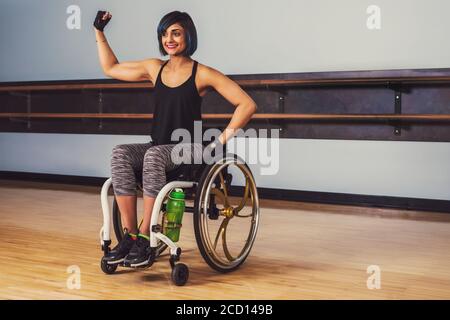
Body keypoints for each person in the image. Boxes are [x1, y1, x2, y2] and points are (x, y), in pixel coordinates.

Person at [94, 10, 257, 267]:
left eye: (176, 33)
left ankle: (146, 236)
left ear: (188, 36)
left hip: (190, 150)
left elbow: (247, 105)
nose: (169, 39)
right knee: (121, 152)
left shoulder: (202, 73)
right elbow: (110, 68)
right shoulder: (153, 68)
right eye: (165, 33)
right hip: (158, 146)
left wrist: (219, 142)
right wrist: (99, 32)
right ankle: (130, 237)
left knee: (154, 155)